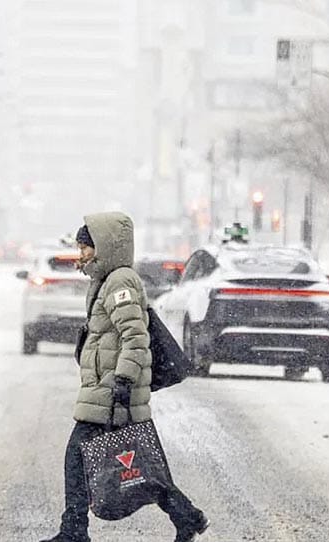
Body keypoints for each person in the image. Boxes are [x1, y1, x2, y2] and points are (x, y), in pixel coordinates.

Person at [41, 212, 209, 542]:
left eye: (86, 248)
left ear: (104, 247)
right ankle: (186, 516)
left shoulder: (120, 282)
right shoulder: (106, 281)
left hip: (114, 390)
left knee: (78, 457)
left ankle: (74, 530)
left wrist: (124, 381)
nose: (81, 255)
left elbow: (135, 336)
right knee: (142, 464)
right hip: (106, 389)